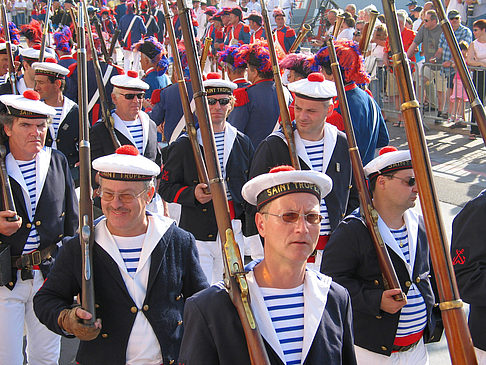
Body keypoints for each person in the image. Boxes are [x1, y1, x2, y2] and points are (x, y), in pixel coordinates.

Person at [33, 145, 208, 365]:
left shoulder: (178, 241)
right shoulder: (80, 245)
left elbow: (200, 303)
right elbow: (46, 300)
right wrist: (68, 319)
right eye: (107, 194)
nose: (115, 204)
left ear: (149, 195)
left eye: (126, 196)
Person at [179, 165, 357, 364]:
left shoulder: (335, 299)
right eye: (289, 216)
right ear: (261, 224)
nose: (302, 228)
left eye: (312, 217)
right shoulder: (210, 308)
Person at [321, 147, 442, 364]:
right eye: (410, 181)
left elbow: (431, 275)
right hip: (373, 354)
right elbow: (332, 284)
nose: (417, 188)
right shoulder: (353, 230)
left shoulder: (421, 225)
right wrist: (375, 300)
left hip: (417, 349)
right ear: (382, 182)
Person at [0, 90, 78, 365]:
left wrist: (76, 276)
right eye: (26, 125)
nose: (36, 132)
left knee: (46, 357)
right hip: (5, 279)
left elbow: (71, 223)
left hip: (49, 276)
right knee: (7, 357)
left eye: (41, 125)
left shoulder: (56, 161)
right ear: (8, 128)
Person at [250, 72, 357, 270]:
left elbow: (353, 195)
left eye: (311, 111)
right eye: (298, 108)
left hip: (335, 251)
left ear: (330, 110)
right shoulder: (274, 146)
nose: (301, 116)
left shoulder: (342, 143)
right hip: (288, 251)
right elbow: (256, 205)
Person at [159, 74, 258, 283]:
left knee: (234, 286)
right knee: (202, 289)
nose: (217, 107)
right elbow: (166, 187)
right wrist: (191, 194)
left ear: (231, 105)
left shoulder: (242, 142)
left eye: (223, 102)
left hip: (233, 228)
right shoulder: (185, 144)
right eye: (210, 102)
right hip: (198, 230)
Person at [314, 39, 389, 165]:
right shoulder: (369, 99)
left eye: (322, 69)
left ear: (333, 74)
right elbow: (382, 140)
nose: (320, 73)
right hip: (365, 175)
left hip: (343, 180)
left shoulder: (335, 108)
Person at [90, 71, 159, 177]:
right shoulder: (101, 130)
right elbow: (93, 170)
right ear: (114, 98)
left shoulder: (151, 126)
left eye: (140, 96)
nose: (136, 101)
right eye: (129, 96)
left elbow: (157, 162)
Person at [227, 40, 291, 148]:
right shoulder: (287, 93)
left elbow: (233, 134)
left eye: (248, 69)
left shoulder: (244, 95)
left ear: (255, 72)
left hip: (253, 159)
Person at [32, 60, 80, 185]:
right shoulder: (33, 110)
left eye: (41, 82)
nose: (36, 87)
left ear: (57, 84)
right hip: (39, 173)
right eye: (36, 82)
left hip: (70, 175)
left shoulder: (75, 111)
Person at [435, 10, 472, 121]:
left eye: (456, 18)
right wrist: (435, 58)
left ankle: (460, 118)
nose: (454, 20)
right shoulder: (444, 33)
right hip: (447, 69)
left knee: (460, 96)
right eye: (452, 18)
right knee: (452, 94)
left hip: (459, 69)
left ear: (460, 18)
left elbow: (463, 50)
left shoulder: (466, 32)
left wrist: (451, 62)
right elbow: (440, 50)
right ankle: (451, 115)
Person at [466, 19, 486, 138]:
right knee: (477, 101)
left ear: (484, 30)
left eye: (476, 30)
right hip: (480, 74)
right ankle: (474, 129)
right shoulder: (474, 44)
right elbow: (469, 60)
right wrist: (481, 64)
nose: (474, 32)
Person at [118, 1, 147, 72]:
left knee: (127, 60)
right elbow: (144, 31)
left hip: (126, 42)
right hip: (136, 42)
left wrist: (121, 40)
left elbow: (119, 31)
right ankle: (135, 74)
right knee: (136, 61)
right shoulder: (138, 18)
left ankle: (126, 74)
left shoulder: (122, 18)